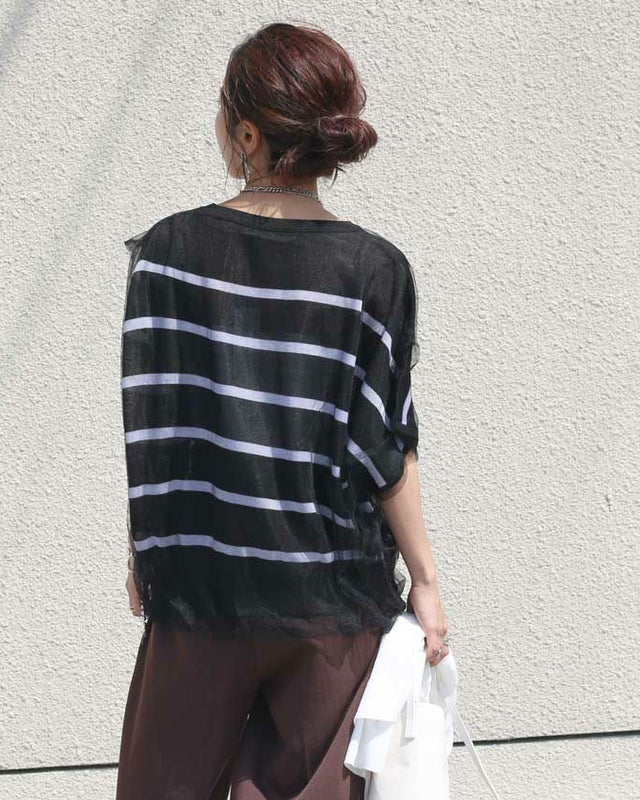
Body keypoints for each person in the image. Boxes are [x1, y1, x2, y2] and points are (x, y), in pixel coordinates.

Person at [116, 21, 450, 800]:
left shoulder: (169, 253)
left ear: (247, 134)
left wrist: (146, 554)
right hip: (329, 597)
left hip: (201, 585)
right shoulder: (372, 268)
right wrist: (427, 581)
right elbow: (383, 445)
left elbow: (158, 429)